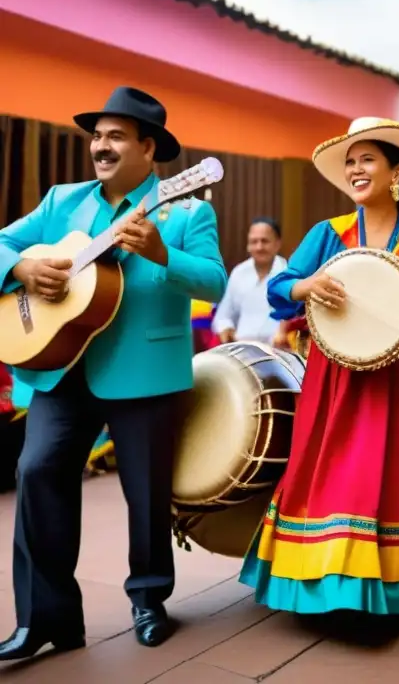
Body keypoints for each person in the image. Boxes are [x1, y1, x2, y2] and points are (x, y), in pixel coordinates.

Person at [0, 86, 227, 660]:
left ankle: (149, 600)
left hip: (146, 371)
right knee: (37, 471)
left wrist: (162, 254)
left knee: (145, 494)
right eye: (96, 135)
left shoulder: (189, 209)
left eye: (115, 136)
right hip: (61, 365)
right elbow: (2, 243)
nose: (100, 145)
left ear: (149, 149)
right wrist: (24, 267)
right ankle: (45, 619)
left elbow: (215, 282)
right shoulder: (62, 202)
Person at [240, 117, 399, 616]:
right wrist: (307, 287)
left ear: (396, 172)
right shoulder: (327, 236)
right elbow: (278, 291)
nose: (355, 169)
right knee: (340, 472)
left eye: (366, 159)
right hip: (337, 379)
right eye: (350, 162)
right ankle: (334, 587)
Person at [212, 217, 287, 345]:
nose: (259, 247)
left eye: (265, 241)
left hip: (280, 352)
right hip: (241, 350)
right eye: (254, 241)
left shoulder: (287, 273)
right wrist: (227, 330)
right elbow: (223, 316)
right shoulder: (239, 273)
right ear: (248, 245)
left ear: (277, 244)